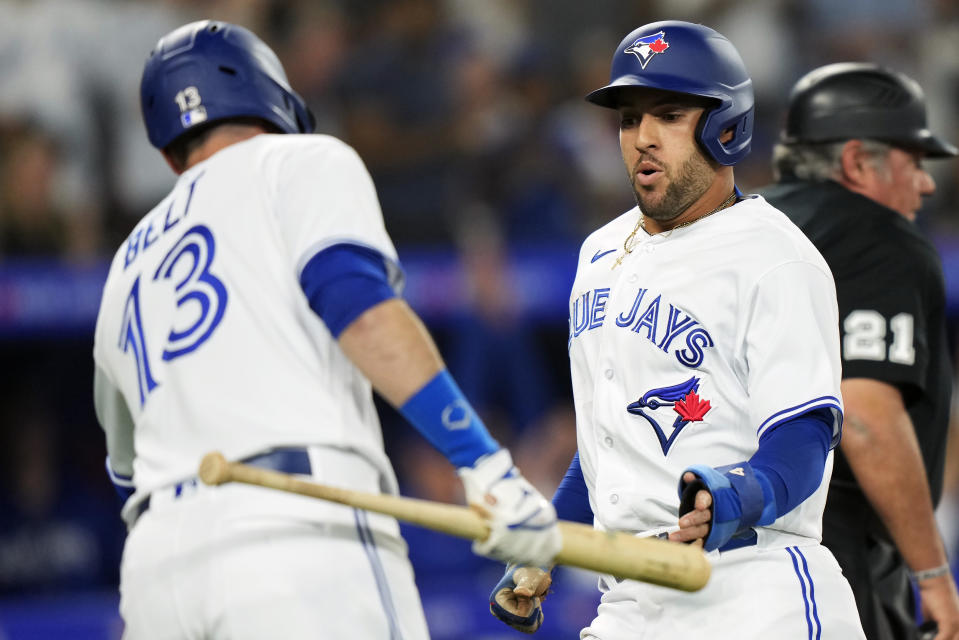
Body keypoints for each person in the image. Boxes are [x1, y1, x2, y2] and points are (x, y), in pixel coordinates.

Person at [91, 20, 561, 639]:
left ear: (165, 148)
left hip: (157, 575)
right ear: (272, 94)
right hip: (297, 532)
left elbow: (125, 466)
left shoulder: (124, 264)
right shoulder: (299, 160)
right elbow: (361, 312)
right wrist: (486, 466)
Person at [487, 21, 866, 638]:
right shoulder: (599, 252)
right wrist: (551, 540)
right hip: (630, 602)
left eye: (667, 114)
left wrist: (738, 493)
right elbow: (609, 446)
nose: (642, 138)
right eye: (629, 119)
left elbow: (805, 436)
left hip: (752, 588)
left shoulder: (774, 257)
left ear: (726, 126)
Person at [760, 62, 959, 640]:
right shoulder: (879, 235)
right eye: (913, 161)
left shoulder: (738, 226)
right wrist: (933, 573)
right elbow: (866, 418)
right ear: (855, 161)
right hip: (830, 557)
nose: (926, 183)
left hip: (712, 546)